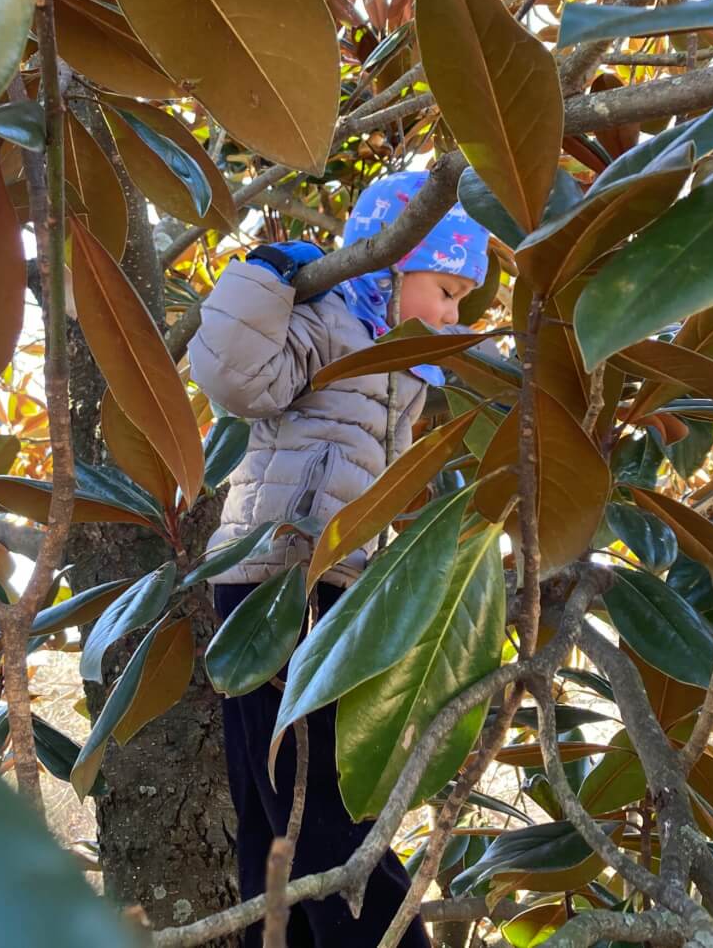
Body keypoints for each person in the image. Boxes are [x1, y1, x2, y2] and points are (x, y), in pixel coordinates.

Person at [188, 169, 490, 948]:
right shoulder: (327, 319)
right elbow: (233, 378)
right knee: (308, 797)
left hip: (335, 585)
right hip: (272, 577)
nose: (456, 311)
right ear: (392, 264)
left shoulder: (410, 373)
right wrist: (265, 277)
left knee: (271, 805)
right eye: (448, 290)